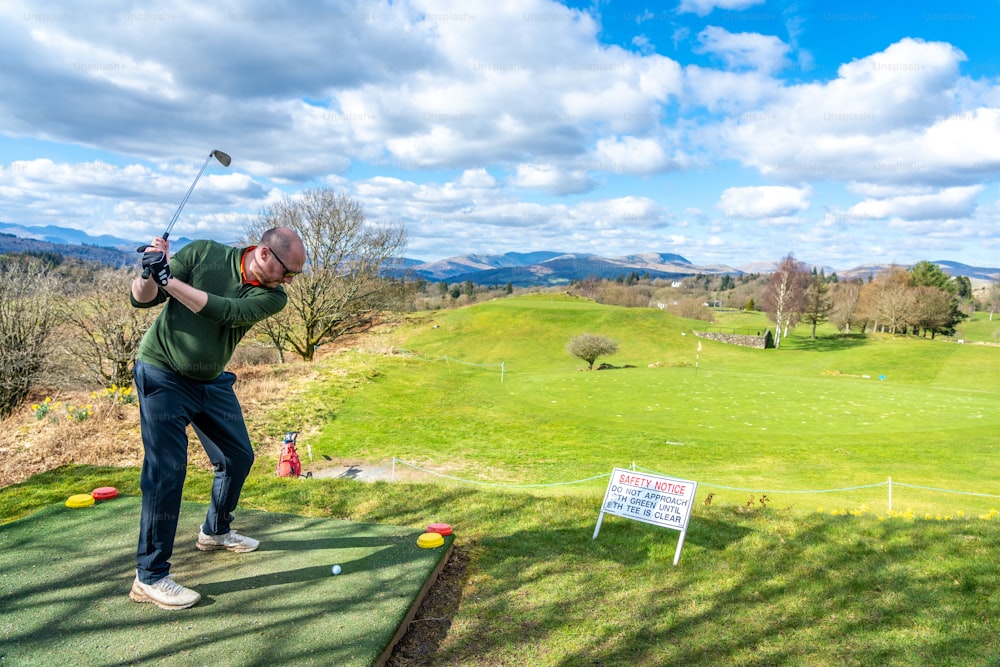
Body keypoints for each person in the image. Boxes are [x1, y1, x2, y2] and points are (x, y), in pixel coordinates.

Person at [127, 227, 305, 610]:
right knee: (166, 472)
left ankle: (215, 530)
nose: (289, 281)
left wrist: (168, 278)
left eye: (295, 276)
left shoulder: (272, 297)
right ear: (262, 253)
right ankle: (150, 576)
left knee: (237, 457)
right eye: (287, 271)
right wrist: (149, 272)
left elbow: (223, 311)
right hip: (162, 372)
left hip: (210, 380)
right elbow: (142, 299)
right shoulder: (204, 253)